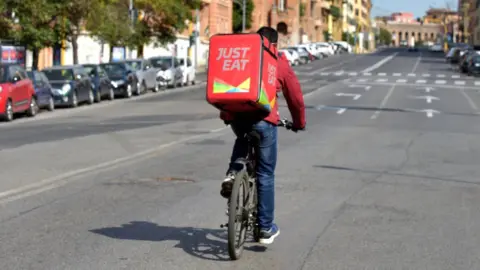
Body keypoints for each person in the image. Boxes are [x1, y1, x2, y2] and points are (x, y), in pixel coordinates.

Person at [219, 26, 306, 245]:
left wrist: (226, 114)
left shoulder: (245, 55)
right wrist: (299, 123)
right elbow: (294, 97)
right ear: (274, 44)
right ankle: (265, 228)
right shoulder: (277, 59)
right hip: (264, 122)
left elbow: (228, 82)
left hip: (238, 118)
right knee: (265, 173)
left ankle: (232, 173)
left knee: (242, 138)